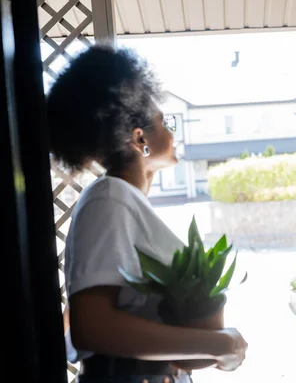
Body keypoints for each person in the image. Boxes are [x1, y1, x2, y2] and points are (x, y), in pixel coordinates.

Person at [47, 44, 247, 383]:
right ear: (140, 139)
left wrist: (209, 349)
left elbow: (86, 308)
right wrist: (219, 343)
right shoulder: (108, 198)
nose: (172, 131)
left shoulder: (120, 200)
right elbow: (91, 327)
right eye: (164, 121)